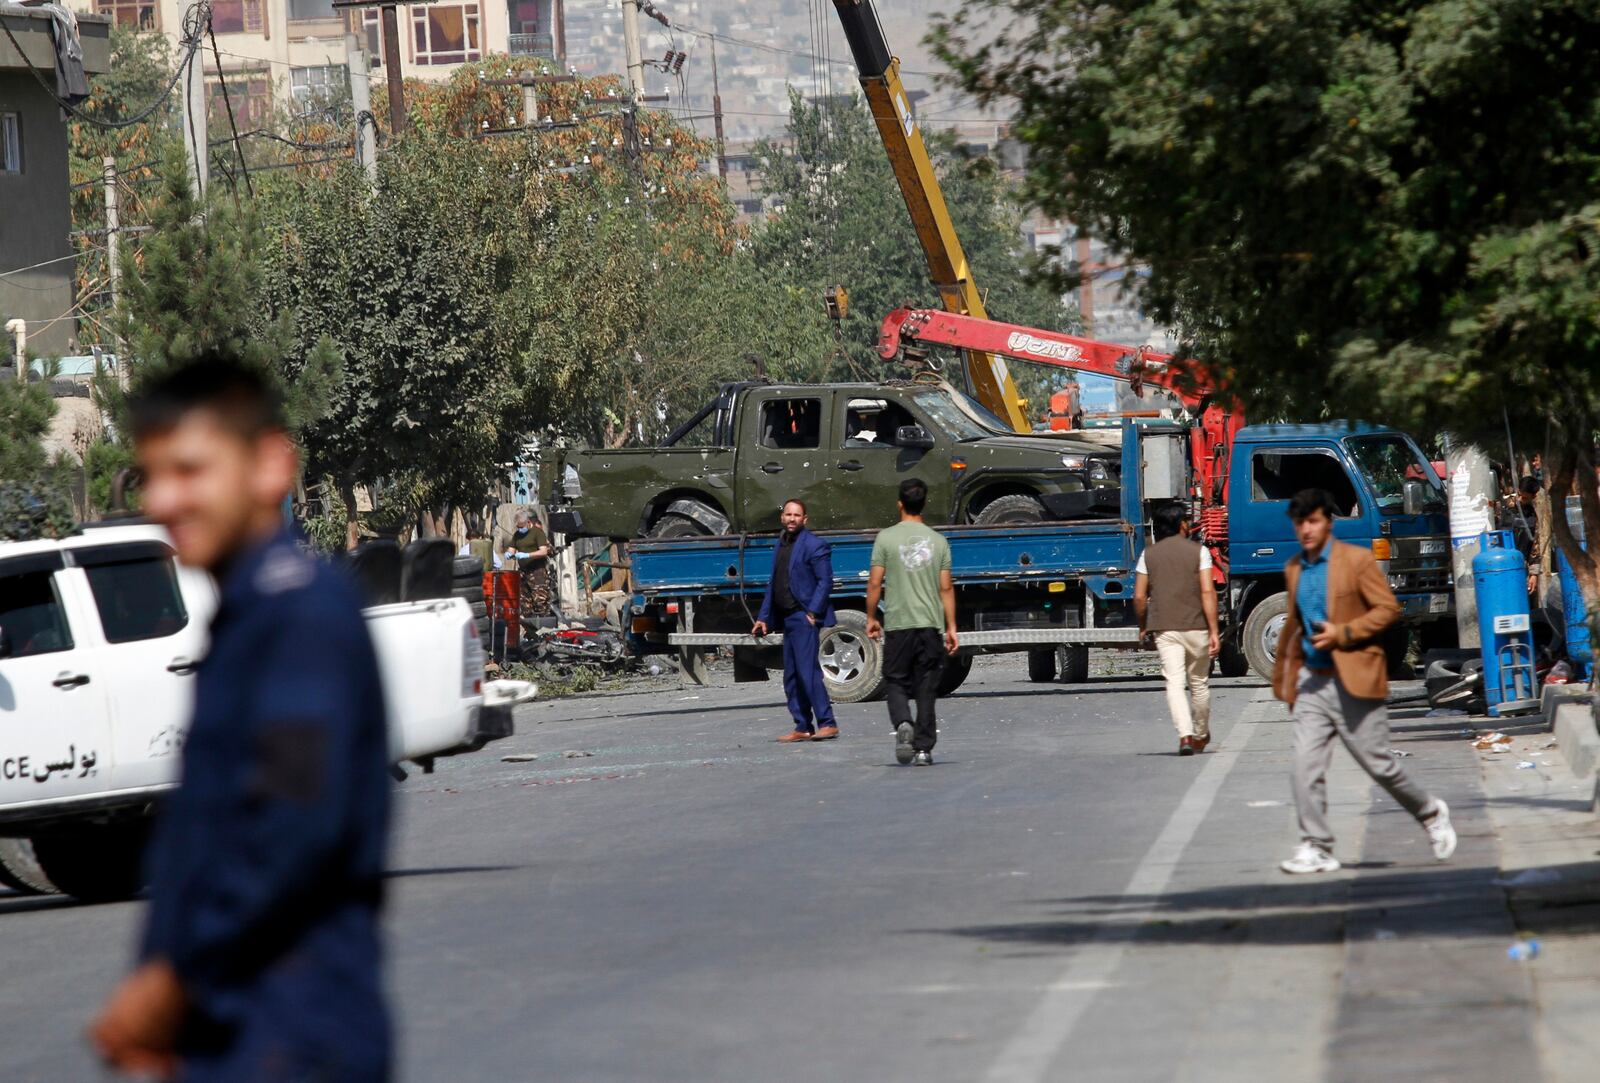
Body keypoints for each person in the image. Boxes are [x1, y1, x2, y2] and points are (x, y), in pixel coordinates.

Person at [90, 356, 392, 1080]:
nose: (165, 496)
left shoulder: (299, 617)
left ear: (269, 466)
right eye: (152, 473)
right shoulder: (249, 613)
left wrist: (171, 983)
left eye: (191, 470)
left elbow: (289, 828)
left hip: (290, 1033)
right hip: (234, 1029)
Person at [1273, 488, 1457, 875]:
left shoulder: (1355, 561)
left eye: (1314, 521)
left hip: (1353, 675)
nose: (1306, 529)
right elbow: (1294, 623)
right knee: (1304, 765)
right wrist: (1287, 678)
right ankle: (1316, 845)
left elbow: (1387, 610)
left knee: (1378, 765)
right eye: (1300, 523)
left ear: (1328, 523)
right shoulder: (1293, 568)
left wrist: (1343, 633)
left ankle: (1430, 811)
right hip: (1312, 681)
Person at [866, 478, 958, 766]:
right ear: (925, 504)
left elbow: (874, 582)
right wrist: (951, 626)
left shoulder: (886, 538)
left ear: (899, 503)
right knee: (926, 688)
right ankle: (923, 749)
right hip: (930, 624)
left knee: (895, 680)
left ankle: (903, 721)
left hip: (898, 623)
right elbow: (946, 588)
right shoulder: (939, 541)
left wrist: (871, 617)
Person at [1133, 503, 1221, 755]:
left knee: (1174, 682)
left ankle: (1184, 735)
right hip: (1197, 626)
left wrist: (1143, 626)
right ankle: (1201, 734)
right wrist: (1214, 630)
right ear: (1181, 524)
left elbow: (1139, 597)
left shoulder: (1147, 555)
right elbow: (1207, 591)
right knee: (1199, 683)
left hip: (1165, 628)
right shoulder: (1199, 552)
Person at [752, 499, 839, 742]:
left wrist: (813, 612)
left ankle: (827, 722)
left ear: (805, 519)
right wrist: (763, 617)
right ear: (782, 517)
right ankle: (802, 726)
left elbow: (825, 581)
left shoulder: (815, 545)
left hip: (803, 618)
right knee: (791, 675)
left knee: (807, 672)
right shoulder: (781, 543)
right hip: (786, 618)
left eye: (797, 515)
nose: (792, 519)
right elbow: (774, 583)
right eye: (788, 514)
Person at [505, 510, 552, 619]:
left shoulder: (537, 533)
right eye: (518, 527)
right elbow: (512, 548)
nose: (520, 529)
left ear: (528, 522)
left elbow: (544, 551)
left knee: (540, 600)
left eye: (522, 526)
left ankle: (545, 626)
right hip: (523, 572)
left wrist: (527, 555)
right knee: (525, 603)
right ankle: (530, 628)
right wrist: (509, 553)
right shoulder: (517, 535)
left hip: (537, 571)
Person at [1508, 476, 1540, 598]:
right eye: (1519, 495)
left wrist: (1534, 574)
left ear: (1534, 497)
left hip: (1519, 568)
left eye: (1525, 498)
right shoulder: (1503, 506)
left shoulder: (1532, 517)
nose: (1520, 500)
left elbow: (1535, 547)